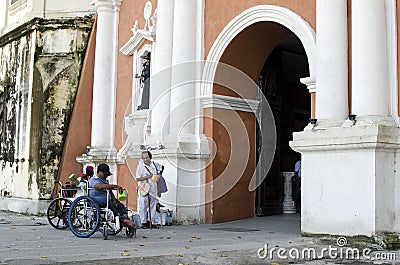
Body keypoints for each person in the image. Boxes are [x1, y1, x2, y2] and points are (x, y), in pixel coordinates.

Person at [89, 163, 135, 228]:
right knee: (111, 205)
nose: (106, 176)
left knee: (119, 205)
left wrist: (114, 200)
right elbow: (99, 187)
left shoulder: (106, 181)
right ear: (99, 172)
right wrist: (114, 186)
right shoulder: (93, 180)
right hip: (97, 200)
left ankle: (125, 218)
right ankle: (122, 220)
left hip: (108, 199)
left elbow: (110, 191)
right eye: (105, 174)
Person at [136, 150, 164, 228]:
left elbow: (161, 169)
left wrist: (158, 177)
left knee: (153, 206)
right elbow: (137, 179)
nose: (145, 159)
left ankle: (151, 221)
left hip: (153, 188)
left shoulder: (154, 165)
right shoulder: (140, 166)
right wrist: (147, 177)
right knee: (143, 205)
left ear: (150, 157)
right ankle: (143, 222)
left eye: (147, 157)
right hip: (144, 188)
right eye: (144, 158)